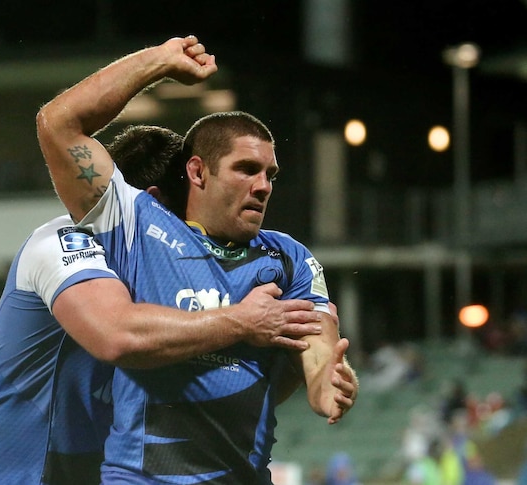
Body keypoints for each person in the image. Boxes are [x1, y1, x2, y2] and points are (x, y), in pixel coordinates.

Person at [0, 125, 338, 485]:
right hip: (1, 474)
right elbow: (118, 336)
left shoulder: (175, 278)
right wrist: (241, 321)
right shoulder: (63, 243)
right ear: (151, 204)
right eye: (179, 219)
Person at [37, 35, 357, 483]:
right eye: (246, 169)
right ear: (198, 171)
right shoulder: (135, 227)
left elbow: (318, 342)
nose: (263, 186)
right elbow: (57, 123)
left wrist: (328, 384)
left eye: (271, 174)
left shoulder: (288, 257)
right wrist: (158, 62)